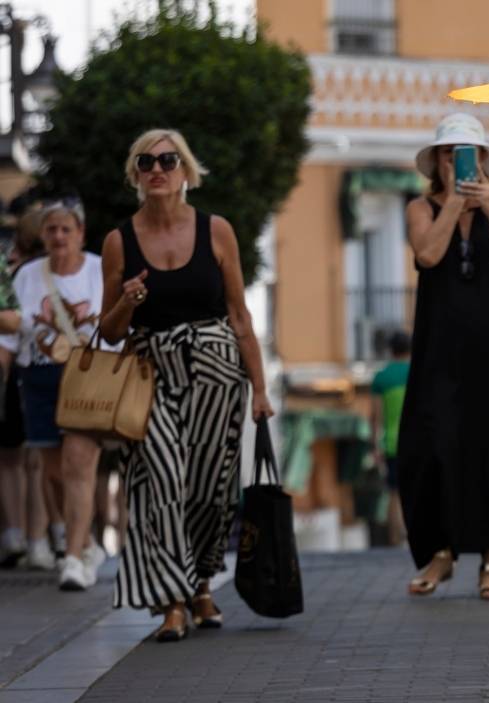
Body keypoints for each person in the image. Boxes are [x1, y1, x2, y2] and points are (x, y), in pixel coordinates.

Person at [98, 128, 273, 642]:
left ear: (186, 171)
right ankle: (172, 600)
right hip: (149, 372)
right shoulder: (119, 241)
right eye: (146, 161)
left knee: (209, 490)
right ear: (135, 174)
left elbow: (239, 315)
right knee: (161, 482)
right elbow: (109, 332)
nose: (157, 169)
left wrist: (260, 389)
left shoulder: (216, 231)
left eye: (168, 161)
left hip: (217, 372)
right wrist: (127, 301)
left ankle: (200, 584)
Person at [397, 112, 489, 600]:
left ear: (482, 160)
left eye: (466, 153)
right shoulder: (420, 207)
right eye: (448, 153)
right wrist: (456, 203)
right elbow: (428, 255)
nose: (456, 161)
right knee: (433, 445)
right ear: (437, 161)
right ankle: (441, 552)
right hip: (438, 350)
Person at [0, 200, 110, 590]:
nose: (59, 236)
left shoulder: (99, 269)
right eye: (52, 230)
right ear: (43, 236)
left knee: (79, 464)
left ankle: (73, 558)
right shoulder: (27, 276)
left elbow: (118, 326)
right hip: (38, 378)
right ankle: (86, 543)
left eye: (66, 229)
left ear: (81, 233)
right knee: (53, 472)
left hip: (87, 379)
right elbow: (9, 336)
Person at [0, 208, 44, 568]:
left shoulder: (13, 272)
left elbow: (11, 323)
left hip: (18, 369)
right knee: (35, 460)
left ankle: (19, 533)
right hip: (28, 368)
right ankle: (37, 537)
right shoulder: (19, 272)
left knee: (15, 459)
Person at [370, 331, 410, 545]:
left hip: (392, 444)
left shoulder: (381, 378)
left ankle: (396, 539)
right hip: (417, 442)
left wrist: (376, 447)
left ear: (391, 350)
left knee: (394, 492)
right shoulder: (417, 373)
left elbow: (375, 417)